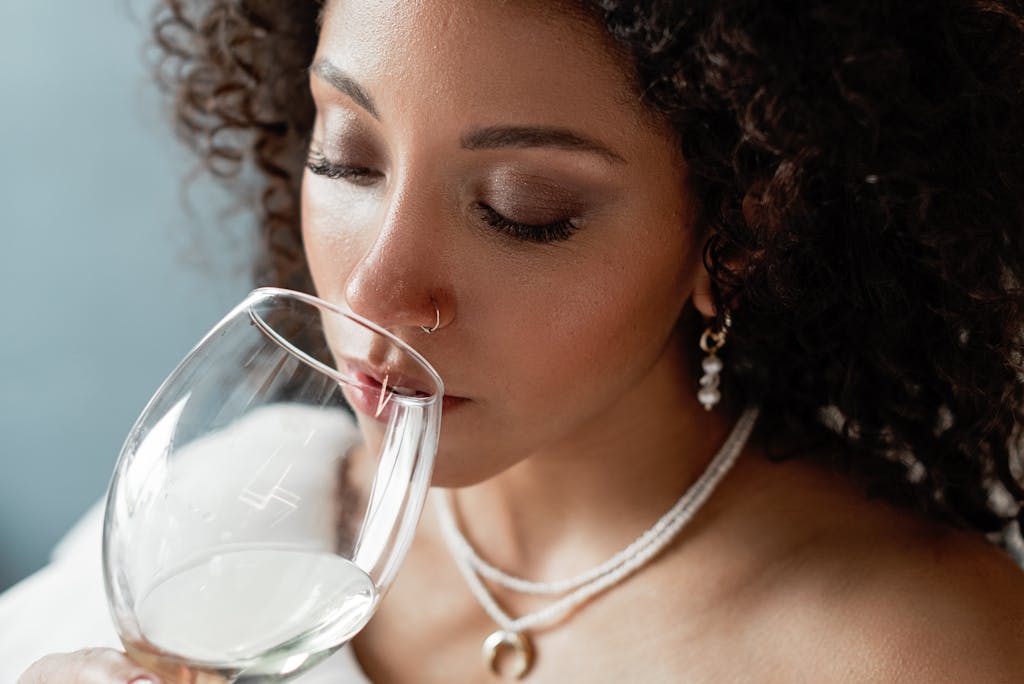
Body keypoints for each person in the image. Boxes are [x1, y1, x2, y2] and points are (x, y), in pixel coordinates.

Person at [11, 0, 1024, 681]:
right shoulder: (231, 514)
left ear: (742, 234)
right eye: (349, 157)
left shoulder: (911, 648)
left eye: (521, 209)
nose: (376, 290)